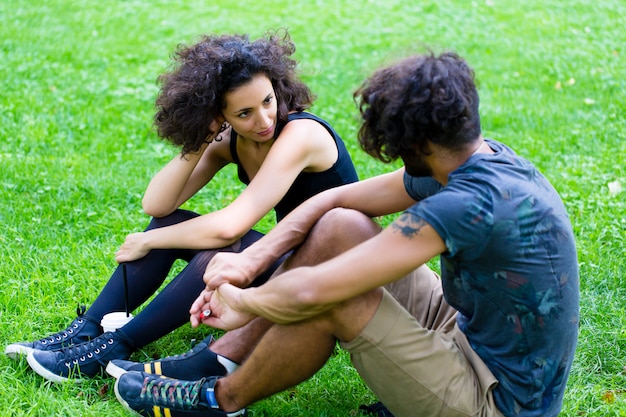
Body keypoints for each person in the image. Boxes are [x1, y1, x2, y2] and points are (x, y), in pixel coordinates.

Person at [112, 50, 580, 417]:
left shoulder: (464, 206)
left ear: (417, 145)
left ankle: (220, 400)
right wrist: (254, 258)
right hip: (462, 330)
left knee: (333, 299)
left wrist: (245, 301)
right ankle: (220, 358)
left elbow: (316, 289)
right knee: (341, 226)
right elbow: (334, 201)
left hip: (495, 401)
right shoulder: (474, 158)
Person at [4, 29, 359, 383]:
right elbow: (157, 204)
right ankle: (86, 331)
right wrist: (201, 140)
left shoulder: (301, 135)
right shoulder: (231, 140)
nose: (264, 120)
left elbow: (230, 226)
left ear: (277, 88)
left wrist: (148, 241)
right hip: (288, 258)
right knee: (169, 223)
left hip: (329, 271)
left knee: (217, 251)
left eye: (268, 101)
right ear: (219, 116)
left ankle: (111, 348)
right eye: (244, 113)